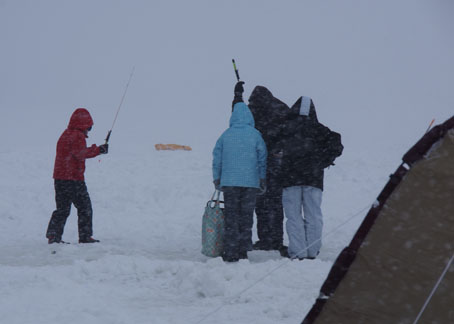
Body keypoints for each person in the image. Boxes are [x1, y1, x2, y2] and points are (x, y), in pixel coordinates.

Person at [280, 96, 343, 259]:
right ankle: (313, 251)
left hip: (290, 178)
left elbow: (273, 145)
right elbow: (337, 143)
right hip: (313, 178)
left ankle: (297, 251)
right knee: (313, 215)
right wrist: (324, 160)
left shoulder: (287, 127)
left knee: (293, 216)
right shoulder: (319, 129)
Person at [233, 82, 289, 254]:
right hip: (276, 166)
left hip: (258, 165)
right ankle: (276, 240)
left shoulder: (254, 112)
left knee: (261, 203)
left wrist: (237, 97)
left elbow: (237, 116)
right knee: (276, 204)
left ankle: (265, 239)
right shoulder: (280, 110)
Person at [213, 101, 267, 262]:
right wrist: (262, 178)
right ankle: (243, 249)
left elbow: (217, 159)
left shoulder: (225, 135)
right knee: (246, 217)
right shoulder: (256, 135)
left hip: (230, 183)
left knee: (231, 216)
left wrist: (217, 177)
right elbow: (262, 159)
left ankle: (230, 250)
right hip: (250, 183)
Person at [46, 108, 109, 244]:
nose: (88, 130)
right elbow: (80, 153)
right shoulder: (77, 136)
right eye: (89, 127)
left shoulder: (65, 134)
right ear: (83, 125)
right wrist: (99, 150)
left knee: (62, 209)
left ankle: (53, 235)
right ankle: (85, 237)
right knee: (85, 207)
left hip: (59, 178)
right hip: (73, 179)